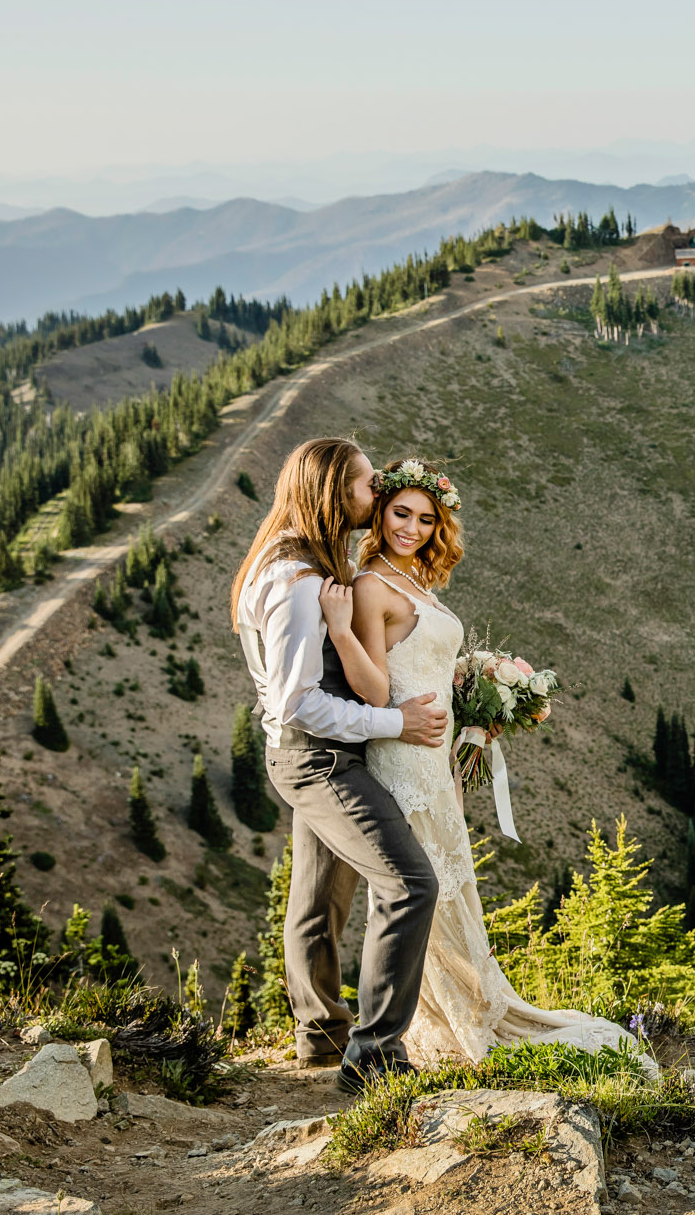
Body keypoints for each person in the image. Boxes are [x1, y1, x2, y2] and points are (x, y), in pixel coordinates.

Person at [322, 456, 645, 1065]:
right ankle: (418, 1028)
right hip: (403, 756)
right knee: (421, 893)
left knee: (449, 889)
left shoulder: (415, 580)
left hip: (435, 758)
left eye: (424, 519)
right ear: (381, 513)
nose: (412, 529)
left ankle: (457, 1007)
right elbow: (371, 687)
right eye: (400, 514)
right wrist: (343, 633)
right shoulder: (371, 585)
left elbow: (429, 662)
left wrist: (474, 700)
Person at [230, 438, 450, 1094]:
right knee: (411, 884)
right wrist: (396, 722)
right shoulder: (299, 581)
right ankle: (373, 1053)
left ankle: (322, 1035)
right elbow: (302, 700)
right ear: (331, 493)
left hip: (303, 751)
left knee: (319, 894)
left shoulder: (284, 560)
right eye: (363, 486)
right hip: (316, 757)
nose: (375, 496)